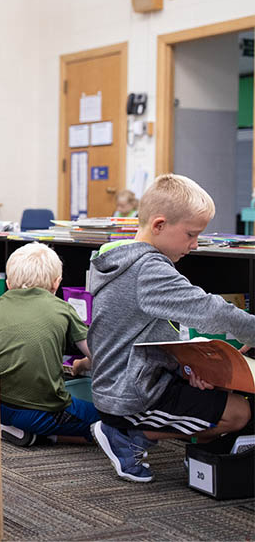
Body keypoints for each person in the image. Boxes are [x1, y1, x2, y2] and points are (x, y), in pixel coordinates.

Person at [89, 174, 255, 483]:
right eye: (191, 234)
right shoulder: (149, 269)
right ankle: (126, 434)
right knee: (239, 414)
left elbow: (144, 335)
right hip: (130, 395)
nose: (195, 245)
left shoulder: (117, 258)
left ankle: (129, 429)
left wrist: (186, 370)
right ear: (159, 225)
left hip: (121, 380)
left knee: (220, 390)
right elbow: (210, 310)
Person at [0, 242, 97, 447]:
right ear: (56, 282)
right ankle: (41, 432)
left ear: (8, 284)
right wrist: (81, 365)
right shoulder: (63, 308)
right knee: (107, 419)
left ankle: (24, 432)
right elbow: (98, 357)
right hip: (41, 413)